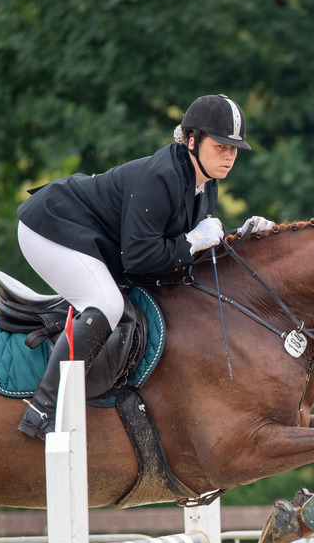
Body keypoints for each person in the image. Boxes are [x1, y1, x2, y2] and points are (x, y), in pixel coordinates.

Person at [15, 94, 275, 439]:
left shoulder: (205, 187)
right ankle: (43, 409)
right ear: (193, 141)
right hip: (50, 226)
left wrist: (242, 238)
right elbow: (139, 259)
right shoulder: (162, 178)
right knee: (106, 304)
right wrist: (193, 241)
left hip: (88, 237)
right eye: (221, 146)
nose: (229, 156)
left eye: (234, 149)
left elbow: (176, 257)